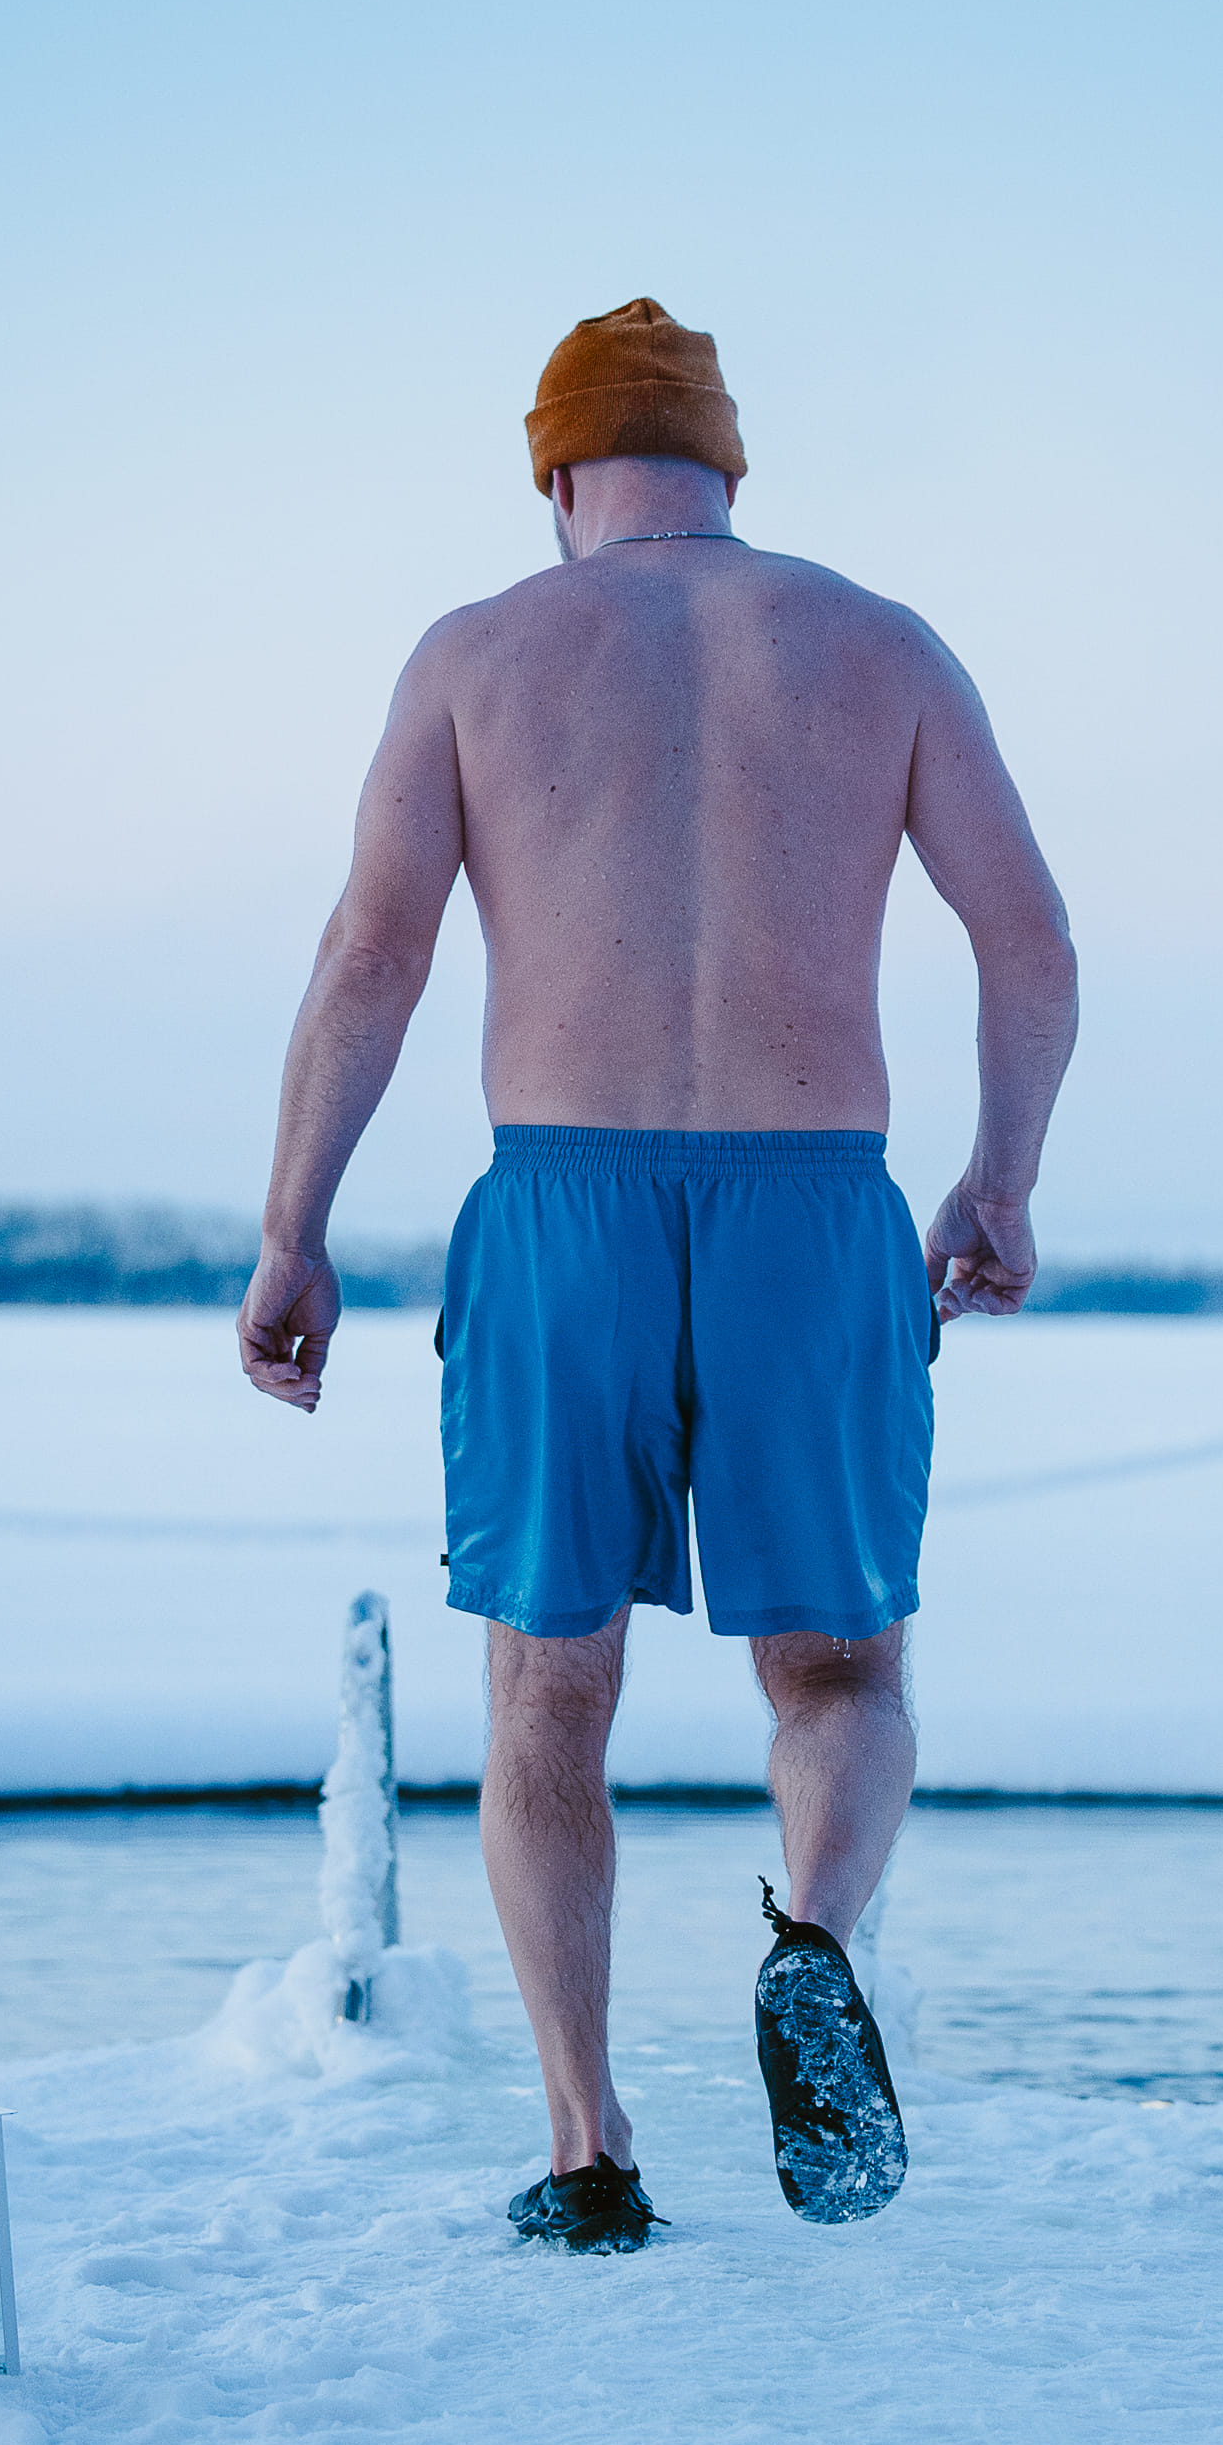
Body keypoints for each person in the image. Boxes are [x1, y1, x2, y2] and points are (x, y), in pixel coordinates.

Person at [239, 299, 1077, 2251]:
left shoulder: (474, 658)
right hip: (817, 1200)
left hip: (563, 1206)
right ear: (729, 467)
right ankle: (811, 1938)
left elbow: (374, 957)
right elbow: (1026, 940)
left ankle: (590, 2154)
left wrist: (294, 1227)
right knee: (846, 1669)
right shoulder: (880, 646)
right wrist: (1000, 1186)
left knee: (547, 1698)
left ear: (554, 474)